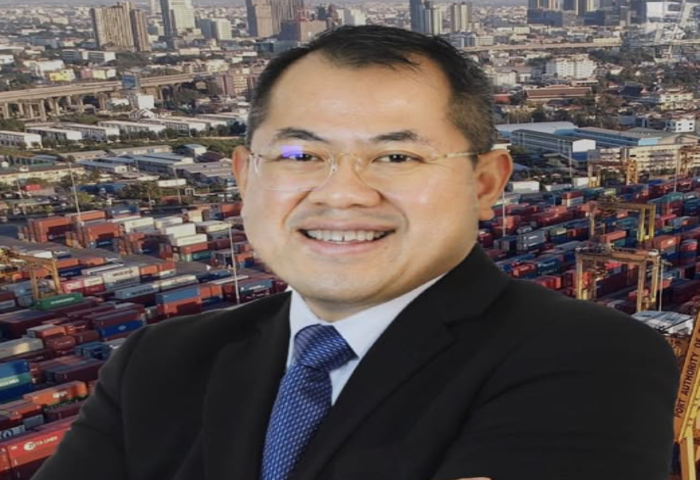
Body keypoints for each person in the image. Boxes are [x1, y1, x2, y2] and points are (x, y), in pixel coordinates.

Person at [34, 25, 679, 480]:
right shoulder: (156, 363)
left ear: (486, 183)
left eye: (396, 156)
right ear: (245, 175)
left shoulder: (593, 357)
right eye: (299, 155)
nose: (341, 192)